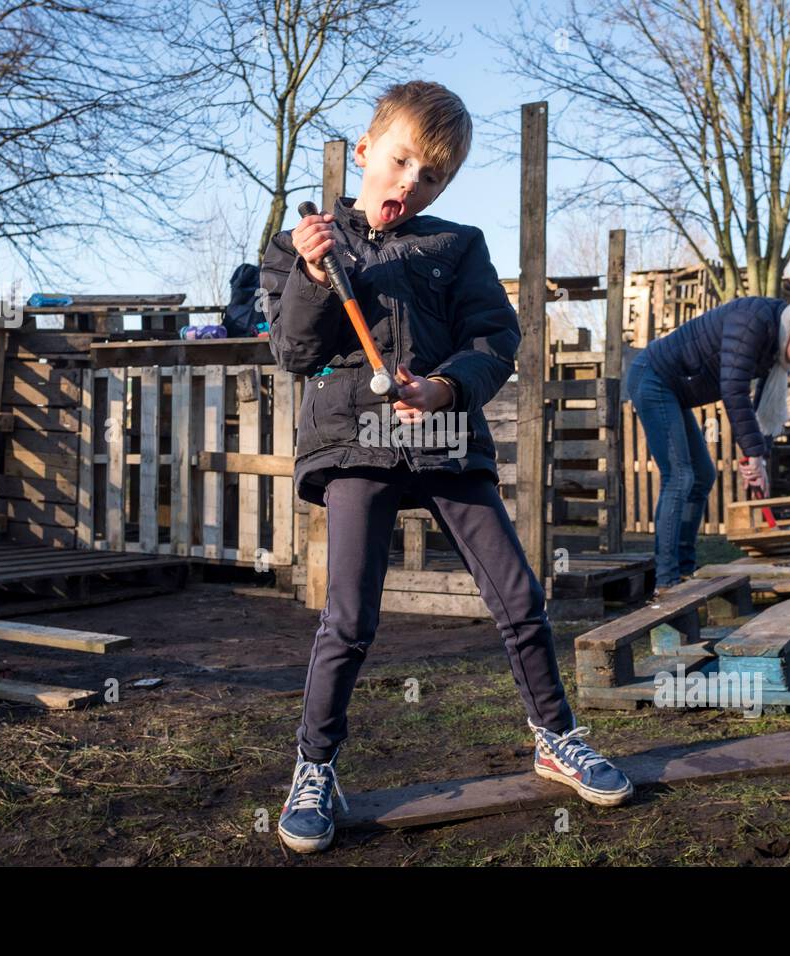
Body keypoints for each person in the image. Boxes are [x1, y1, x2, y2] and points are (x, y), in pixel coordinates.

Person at [260, 81, 632, 854]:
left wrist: (445, 386)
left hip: (445, 438)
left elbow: (497, 338)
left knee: (520, 593)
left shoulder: (457, 245)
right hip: (356, 443)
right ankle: (315, 766)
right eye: (399, 163)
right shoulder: (306, 243)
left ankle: (556, 738)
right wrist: (309, 272)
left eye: (430, 176)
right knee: (351, 615)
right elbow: (294, 352)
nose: (409, 185)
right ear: (365, 152)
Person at [625, 293, 790, 591]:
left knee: (703, 475)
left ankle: (683, 569)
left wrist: (761, 460)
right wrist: (754, 453)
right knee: (680, 477)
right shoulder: (753, 322)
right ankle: (666, 582)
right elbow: (733, 389)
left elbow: (761, 410)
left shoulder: (776, 342)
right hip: (652, 377)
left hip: (674, 391)